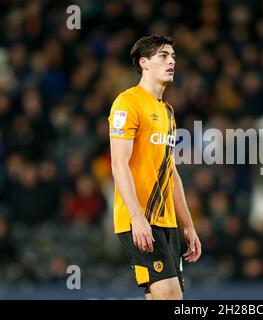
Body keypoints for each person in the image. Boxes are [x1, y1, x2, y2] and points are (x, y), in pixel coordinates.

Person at [108, 35, 202, 300]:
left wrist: (188, 226)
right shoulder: (128, 103)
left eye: (173, 57)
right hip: (139, 218)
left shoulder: (168, 112)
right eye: (163, 56)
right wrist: (136, 217)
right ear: (144, 63)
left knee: (162, 297)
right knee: (170, 296)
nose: (171, 61)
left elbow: (170, 172)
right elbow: (118, 164)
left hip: (167, 222)